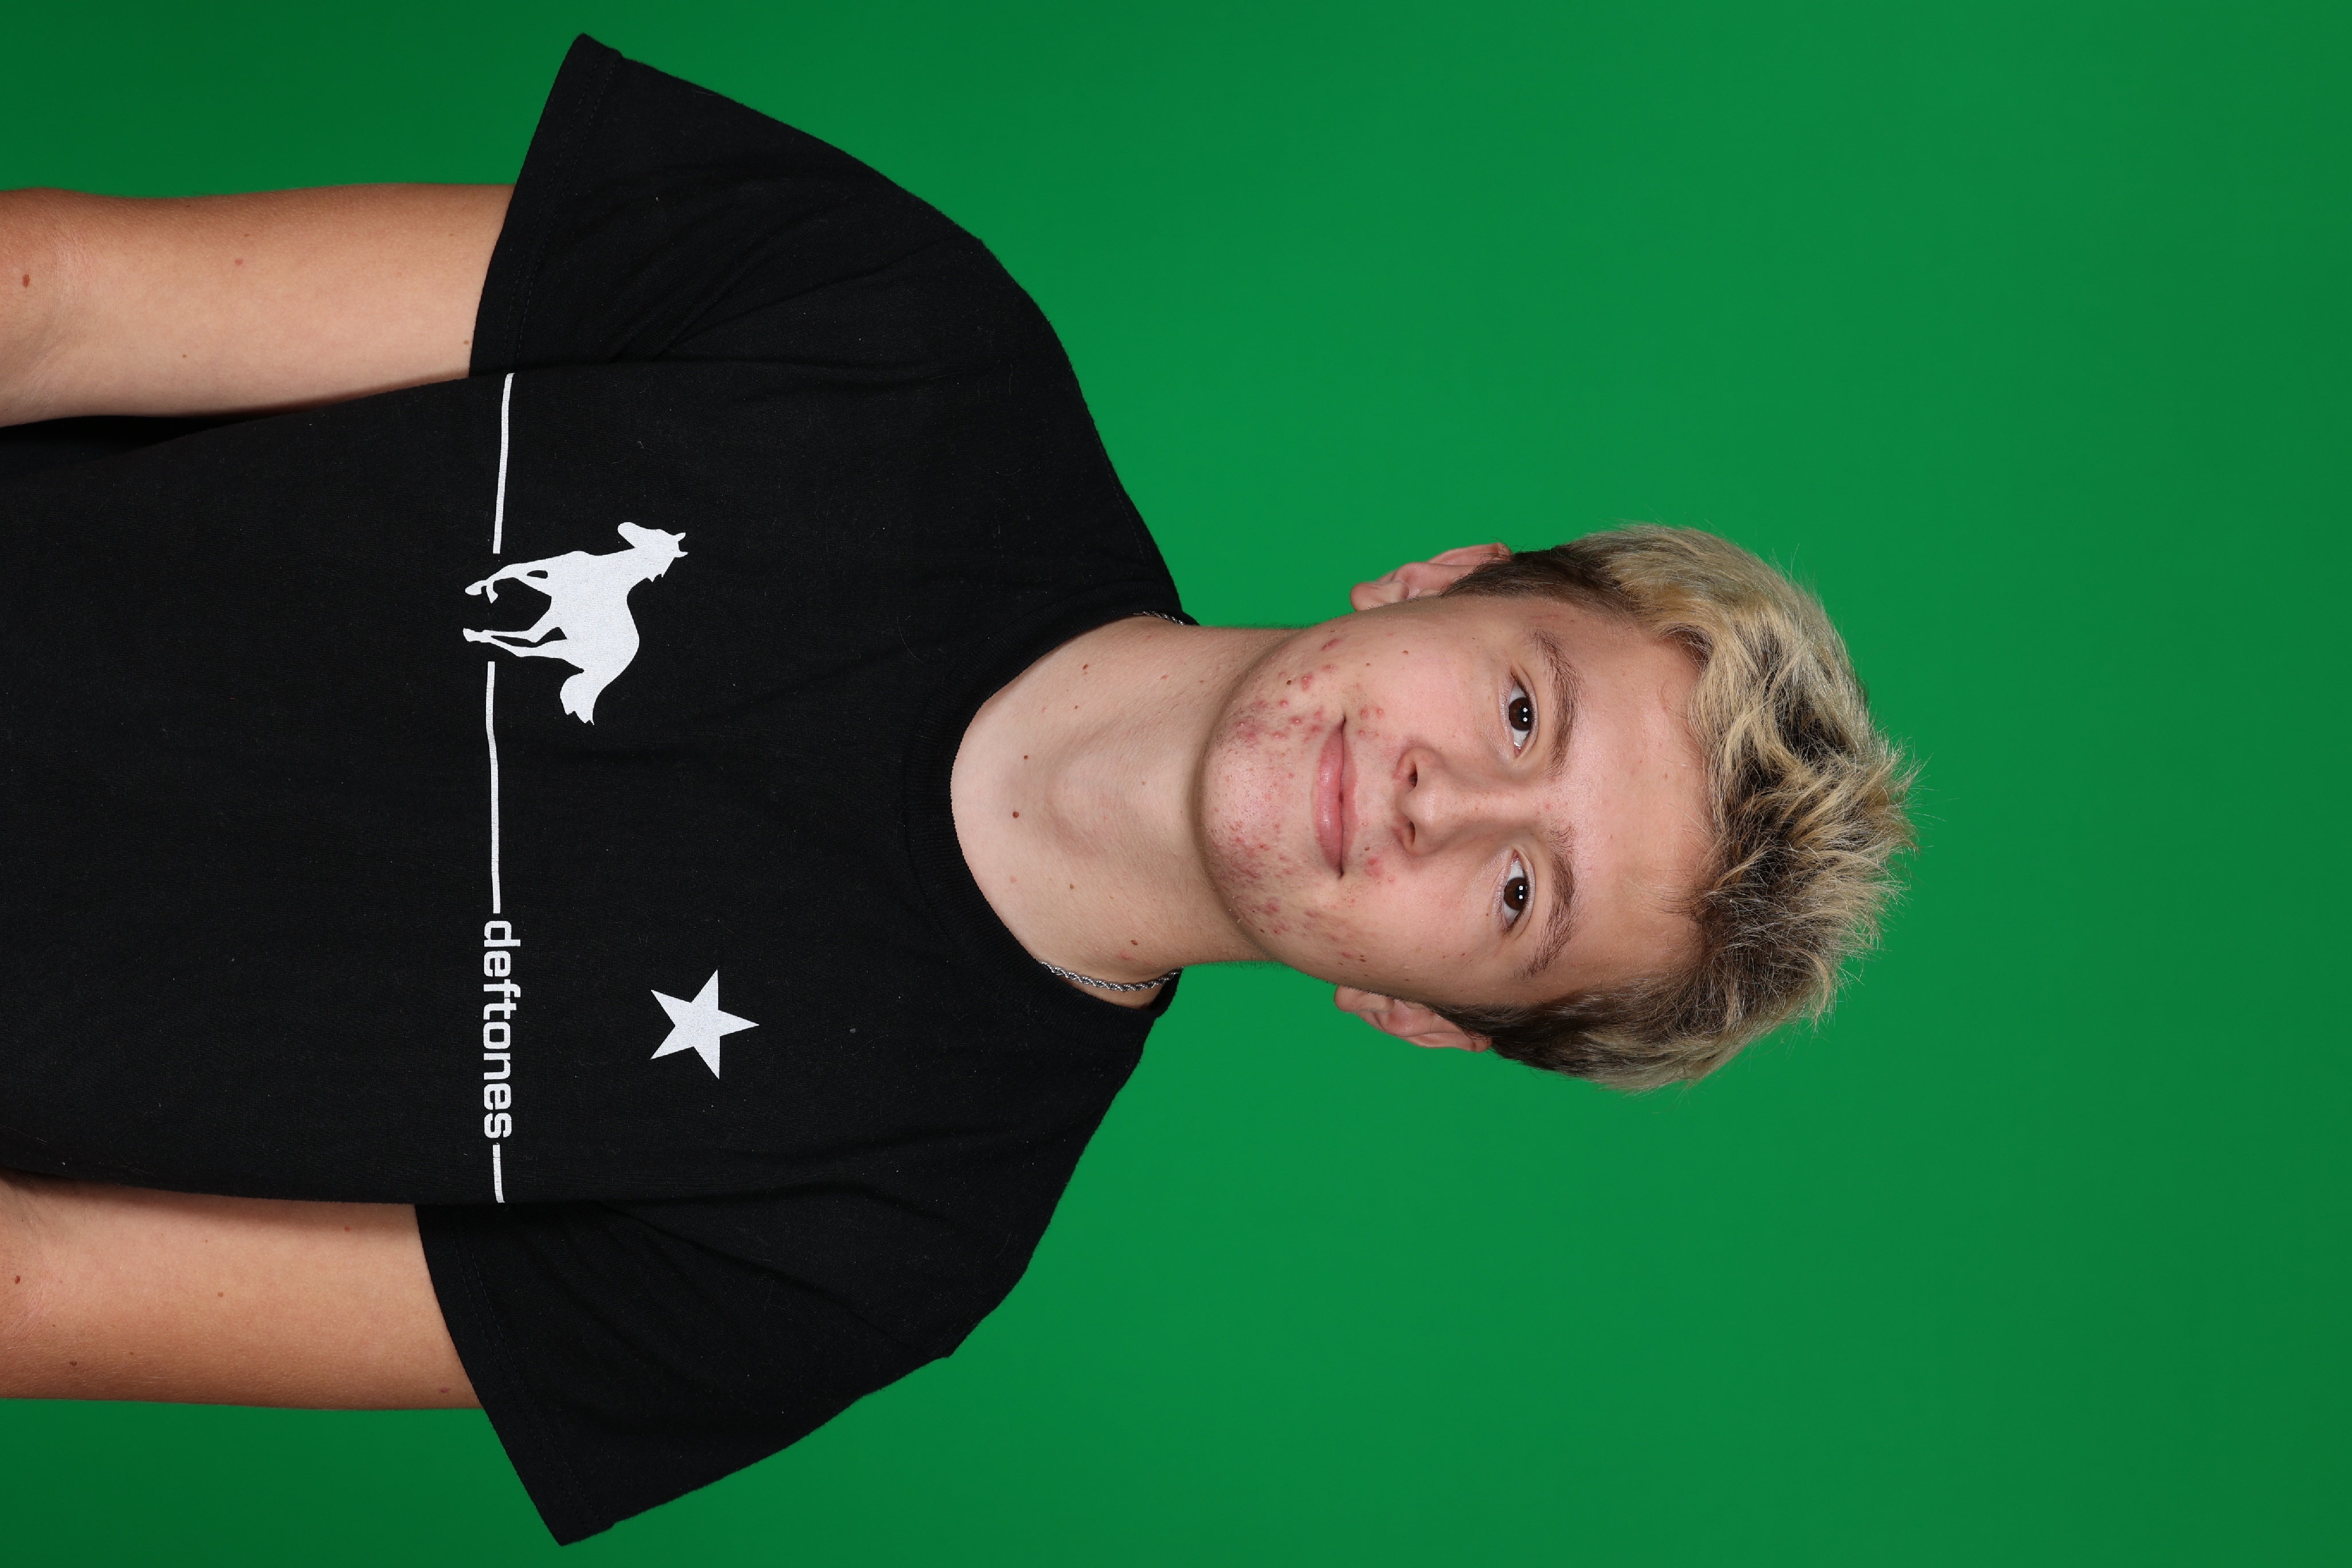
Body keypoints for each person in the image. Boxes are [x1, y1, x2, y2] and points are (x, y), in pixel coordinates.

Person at [0, 37, 1911, 1542]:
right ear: (1442, 580)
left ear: (1418, 1016)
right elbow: (59, 299)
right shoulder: (897, 323)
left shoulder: (880, 1253)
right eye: (1519, 713)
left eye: (1519, 899)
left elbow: (49, 1290)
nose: (1444, 806)